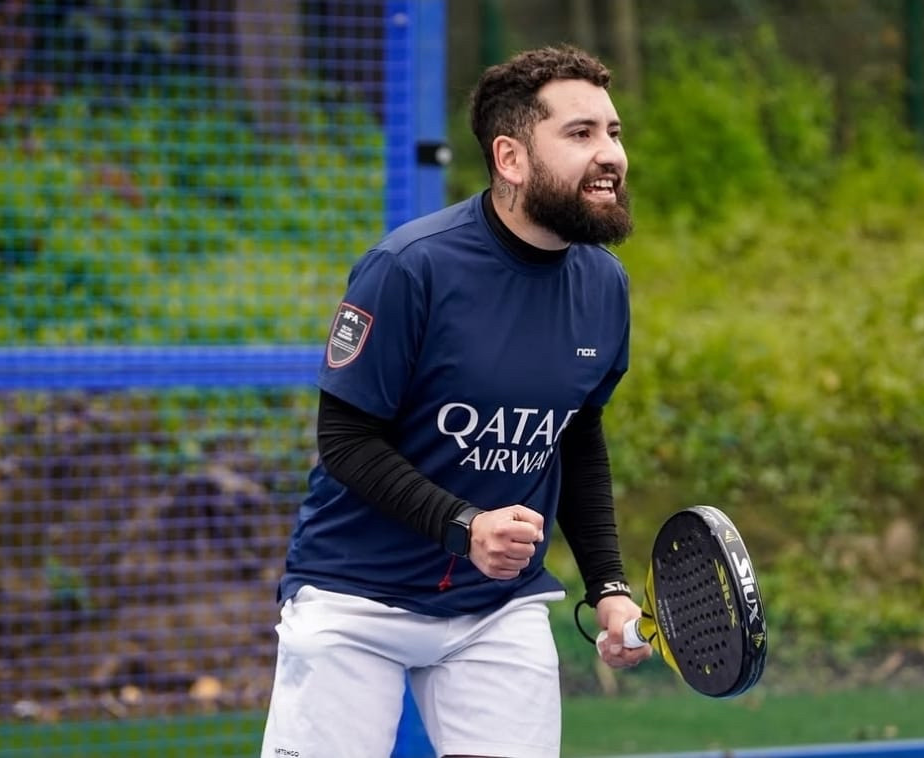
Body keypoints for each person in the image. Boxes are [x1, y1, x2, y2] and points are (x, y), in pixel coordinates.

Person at [260, 44, 651, 758]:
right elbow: (345, 441)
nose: (610, 155)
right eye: (580, 133)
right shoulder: (408, 269)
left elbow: (575, 436)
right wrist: (464, 526)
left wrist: (608, 586)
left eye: (613, 132)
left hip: (494, 608)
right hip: (355, 597)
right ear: (510, 158)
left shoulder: (605, 286)